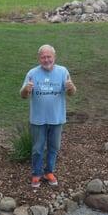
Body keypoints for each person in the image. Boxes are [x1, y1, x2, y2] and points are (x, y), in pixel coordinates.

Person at [20, 44, 76, 188]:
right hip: (38, 119)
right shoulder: (32, 73)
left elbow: (71, 92)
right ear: (39, 58)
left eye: (48, 56)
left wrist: (71, 88)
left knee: (54, 147)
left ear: (54, 57)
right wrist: (26, 90)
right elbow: (23, 96)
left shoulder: (63, 72)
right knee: (38, 148)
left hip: (57, 118)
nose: (46, 60)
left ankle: (49, 172)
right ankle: (36, 174)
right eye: (43, 57)